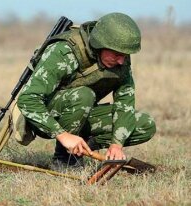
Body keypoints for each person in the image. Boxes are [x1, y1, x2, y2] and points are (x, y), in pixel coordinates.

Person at [15, 12, 156, 169]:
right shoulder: (64, 51)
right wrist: (63, 135)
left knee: (145, 124)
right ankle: (64, 158)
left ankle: (80, 147)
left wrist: (117, 144)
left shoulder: (120, 59)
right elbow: (27, 99)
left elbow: (125, 104)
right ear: (100, 44)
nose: (121, 60)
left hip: (82, 114)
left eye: (125, 55)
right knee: (84, 95)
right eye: (117, 54)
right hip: (46, 116)